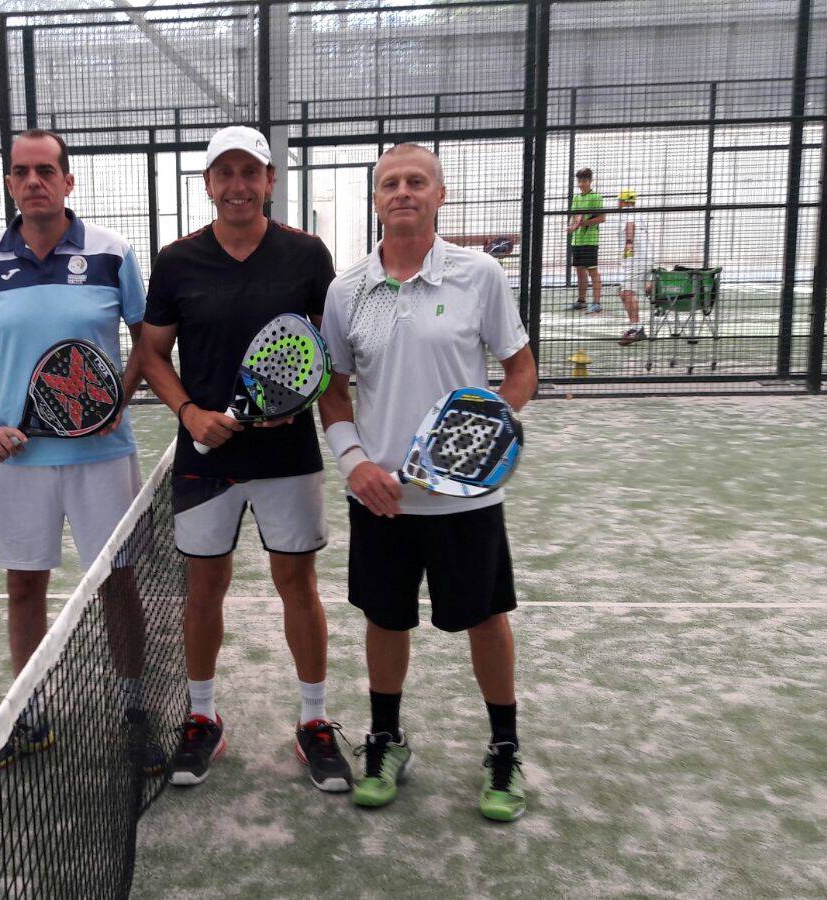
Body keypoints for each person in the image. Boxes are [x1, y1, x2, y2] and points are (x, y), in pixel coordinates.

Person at [317, 143, 538, 821]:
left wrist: (480, 439)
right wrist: (356, 464)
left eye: (417, 181)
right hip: (380, 499)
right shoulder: (346, 291)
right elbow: (334, 391)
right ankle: (385, 740)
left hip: (466, 500)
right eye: (390, 183)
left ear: (440, 195)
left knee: (486, 620)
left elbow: (521, 371)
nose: (403, 192)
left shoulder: (479, 276)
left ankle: (504, 750)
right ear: (376, 200)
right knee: (385, 620)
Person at [137, 125, 351, 793]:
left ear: (268, 181)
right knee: (205, 589)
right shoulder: (176, 261)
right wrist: (188, 412)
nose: (237, 185)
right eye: (224, 173)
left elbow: (328, 353)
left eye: (249, 172)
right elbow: (151, 355)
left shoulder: (307, 255)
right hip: (205, 459)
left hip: (289, 454)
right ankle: (202, 717)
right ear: (207, 184)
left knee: (298, 585)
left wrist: (302, 397)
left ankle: (314, 722)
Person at [0, 129, 148, 766]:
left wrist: (118, 398)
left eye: (46, 170)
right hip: (20, 461)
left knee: (117, 583)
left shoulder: (113, 254)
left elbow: (148, 341)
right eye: (22, 171)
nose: (34, 181)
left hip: (103, 457)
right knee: (24, 588)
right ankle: (29, 714)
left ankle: (132, 708)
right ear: (10, 183)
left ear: (68, 181)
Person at [614, 189, 653, 346]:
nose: (617, 203)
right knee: (623, 292)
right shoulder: (640, 215)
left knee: (626, 292)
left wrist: (629, 244)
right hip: (645, 259)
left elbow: (630, 226)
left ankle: (637, 329)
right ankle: (634, 327)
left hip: (635, 259)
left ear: (624, 201)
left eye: (619, 200)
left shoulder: (628, 212)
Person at [567, 167, 605, 314]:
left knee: (592, 271)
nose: (581, 184)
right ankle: (581, 301)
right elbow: (573, 217)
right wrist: (571, 227)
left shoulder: (596, 197)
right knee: (579, 271)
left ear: (590, 181)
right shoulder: (576, 198)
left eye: (584, 181)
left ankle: (596, 303)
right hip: (577, 241)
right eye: (579, 181)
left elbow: (602, 218)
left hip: (590, 240)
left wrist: (583, 223)